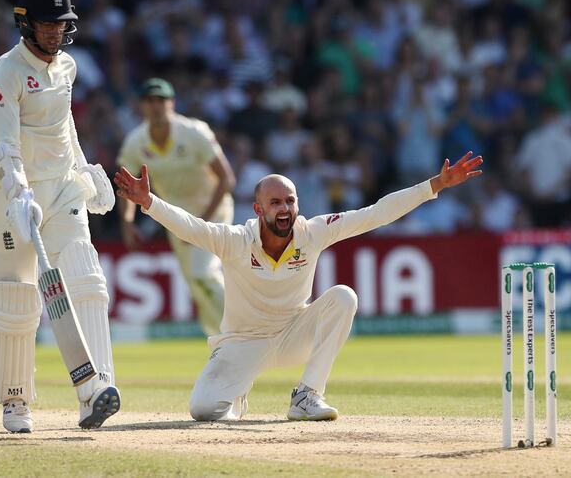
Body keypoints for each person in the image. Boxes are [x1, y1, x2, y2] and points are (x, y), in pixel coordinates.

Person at [115, 152, 483, 421]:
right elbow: (191, 226)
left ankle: (307, 396)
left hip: (294, 333)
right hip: (243, 342)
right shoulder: (236, 241)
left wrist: (434, 185)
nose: (285, 208)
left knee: (343, 297)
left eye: (290, 200)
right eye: (275, 202)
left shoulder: (312, 232)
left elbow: (375, 213)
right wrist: (149, 202)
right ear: (259, 209)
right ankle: (239, 393)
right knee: (203, 410)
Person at [0, 0, 119, 434]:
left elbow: (63, 129)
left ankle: (96, 389)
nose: (57, 33)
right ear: (25, 23)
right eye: (48, 24)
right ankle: (16, 401)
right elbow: (2, 143)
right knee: (17, 297)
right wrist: (18, 192)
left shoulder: (68, 67)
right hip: (11, 198)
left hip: (61, 190)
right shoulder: (5, 72)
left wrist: (85, 170)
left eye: (62, 24)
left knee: (85, 273)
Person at [116, 78, 235, 336]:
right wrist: (127, 223)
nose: (156, 106)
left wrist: (202, 221)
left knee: (202, 274)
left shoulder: (194, 132)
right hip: (175, 218)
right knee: (194, 285)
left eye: (161, 101)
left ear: (172, 103)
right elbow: (127, 188)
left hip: (212, 211)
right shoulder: (136, 142)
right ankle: (220, 341)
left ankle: (247, 329)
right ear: (142, 106)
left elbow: (226, 178)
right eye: (150, 101)